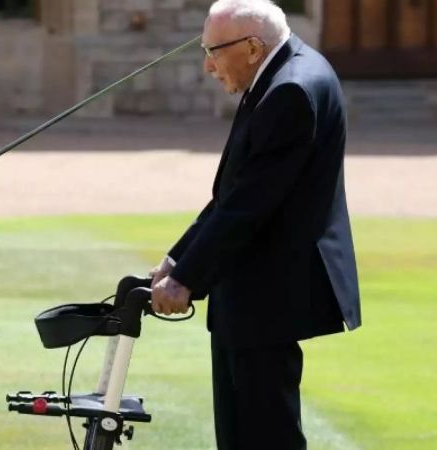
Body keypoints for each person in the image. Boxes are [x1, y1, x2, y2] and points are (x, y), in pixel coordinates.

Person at [149, 1, 361, 448]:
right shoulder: (281, 71)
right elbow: (232, 193)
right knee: (241, 431)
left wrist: (186, 278)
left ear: (250, 47)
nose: (207, 66)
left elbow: (249, 205)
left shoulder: (291, 90)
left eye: (213, 51)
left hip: (267, 291)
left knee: (264, 434)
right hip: (249, 288)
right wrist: (176, 259)